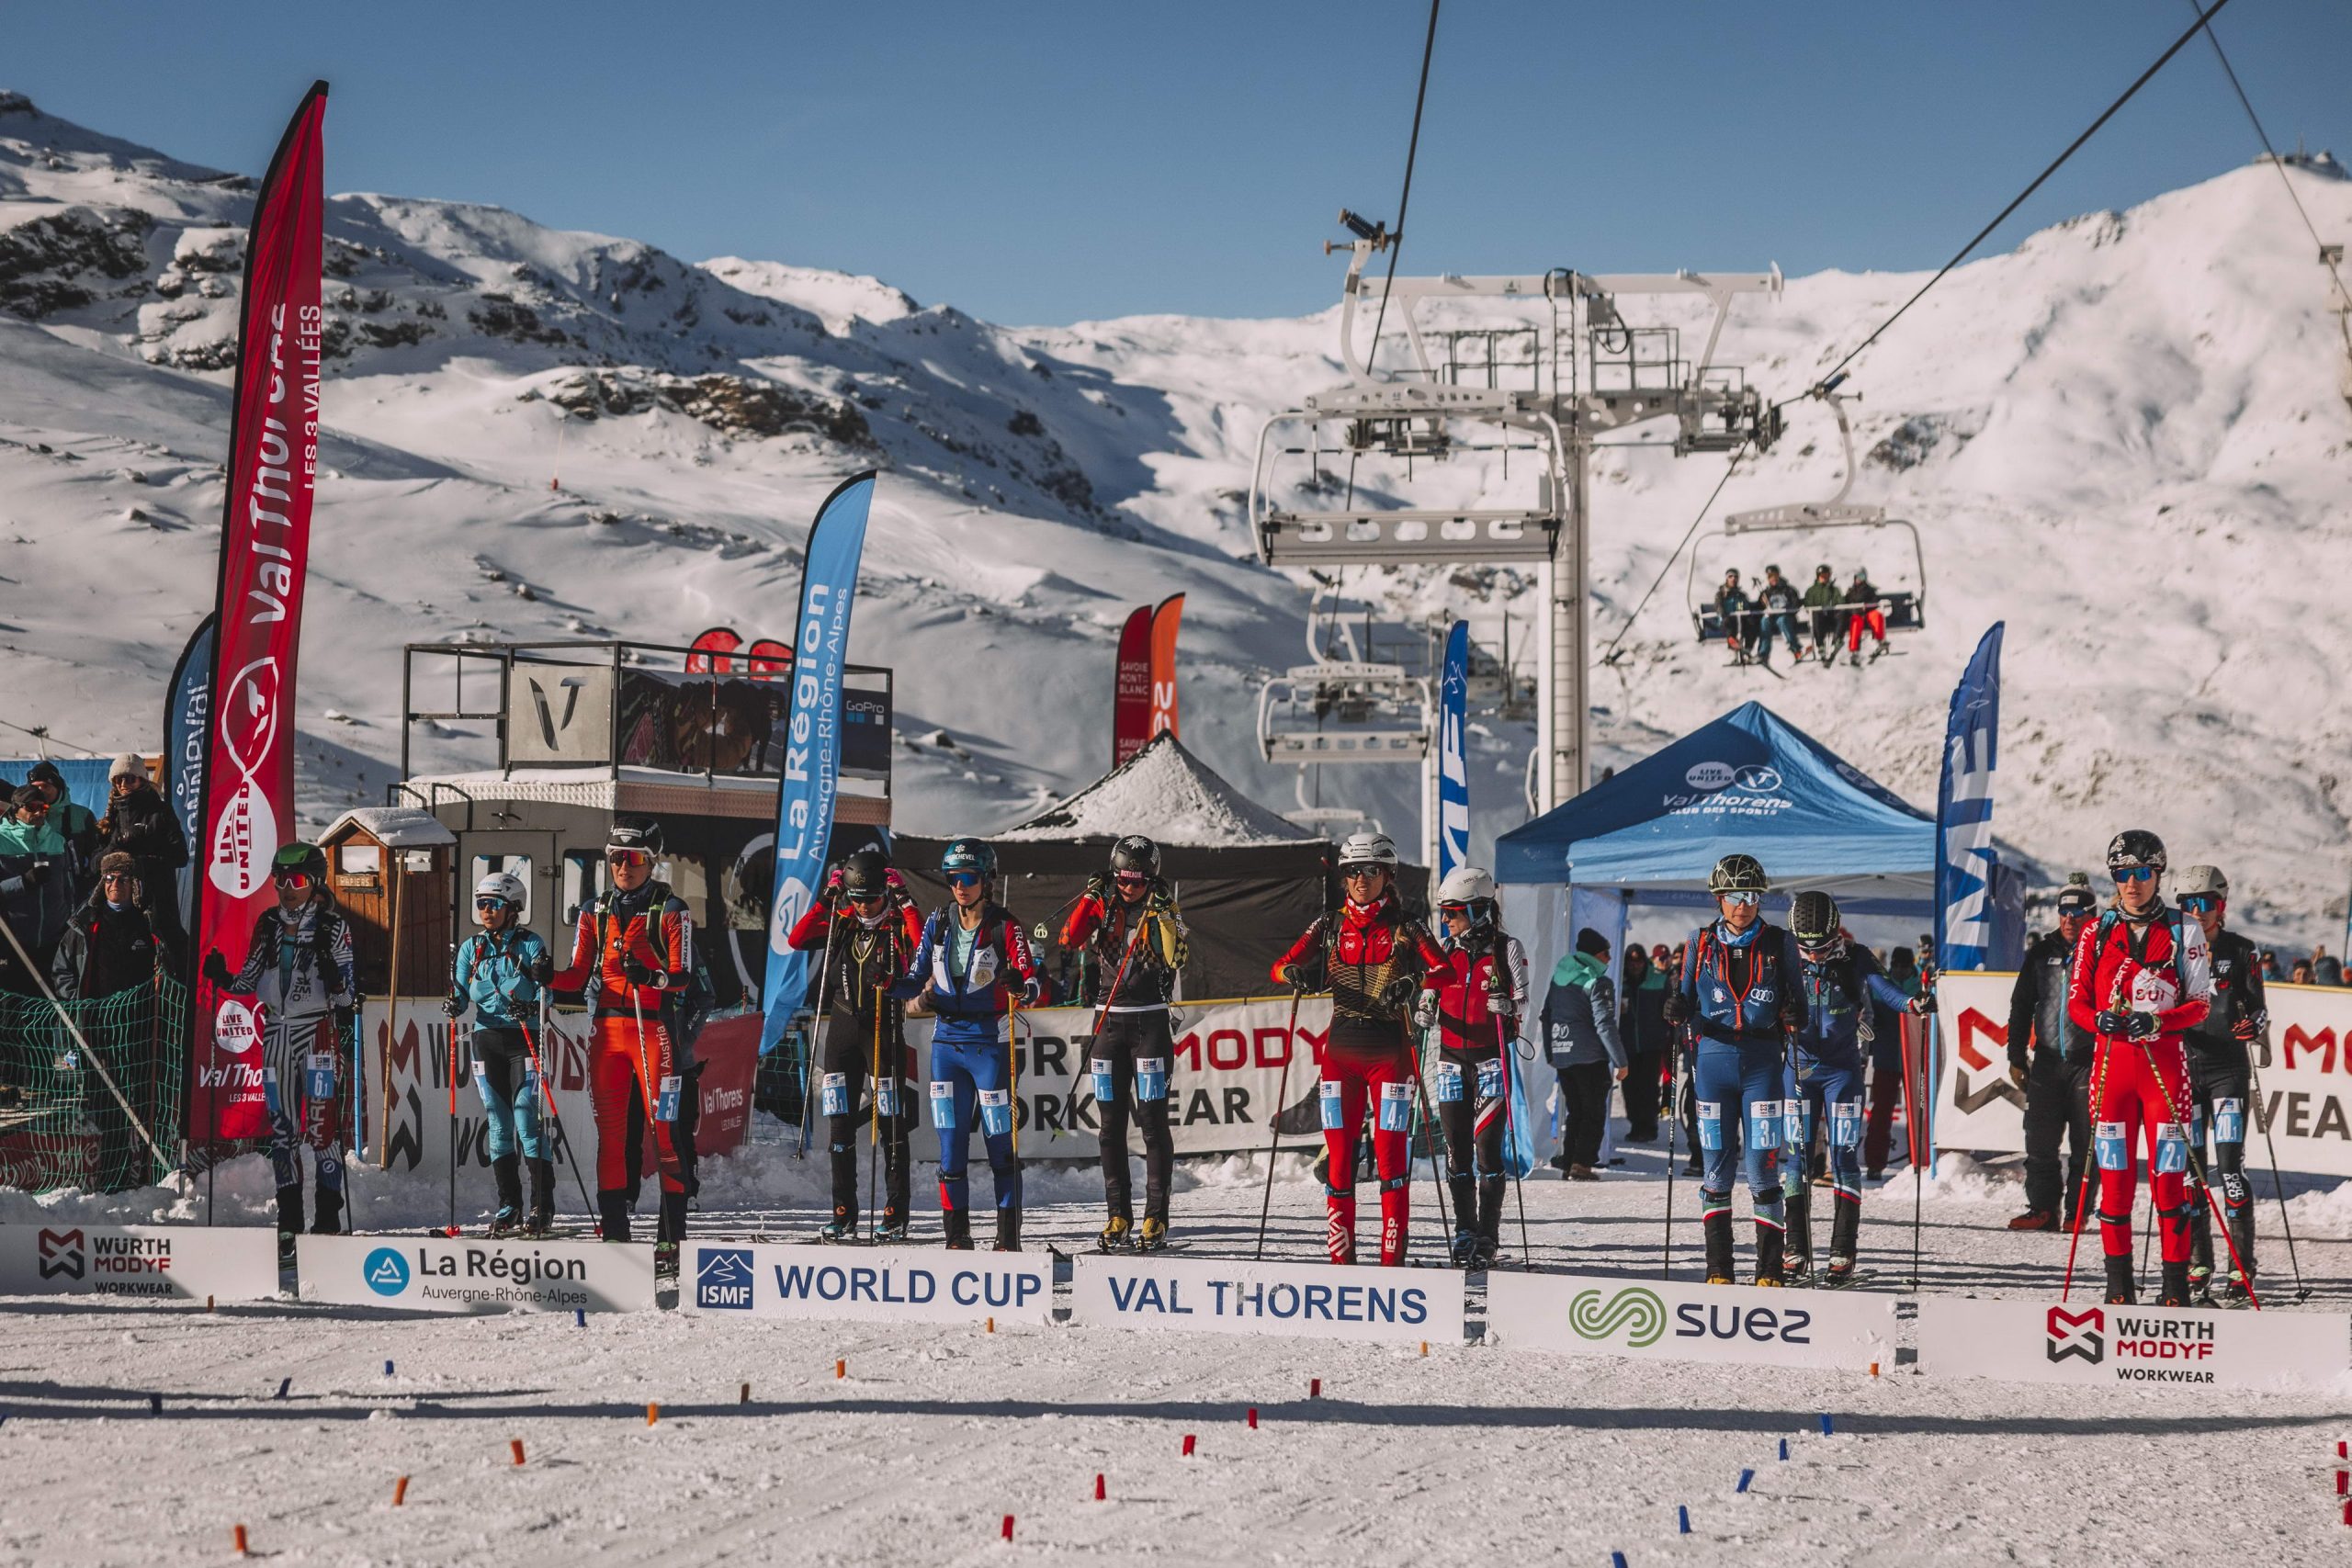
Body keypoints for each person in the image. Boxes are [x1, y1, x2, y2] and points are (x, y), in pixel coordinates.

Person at [1272, 830, 1446, 1267]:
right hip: (1341, 1058)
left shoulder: (1407, 926)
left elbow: (1445, 969)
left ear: (1388, 875)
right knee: (1339, 1164)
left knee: (1390, 1163)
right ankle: (1341, 1264)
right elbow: (1279, 966)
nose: (1361, 879)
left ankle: (1391, 1264)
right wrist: (1298, 975)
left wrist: (1414, 981)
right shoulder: (1329, 923)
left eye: (1370, 870)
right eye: (1352, 871)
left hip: (1390, 1058)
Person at [2066, 829, 2212, 1307]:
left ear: (2158, 875)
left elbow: (2199, 1006)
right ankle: (2119, 1287)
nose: (2133, 884)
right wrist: (2100, 1020)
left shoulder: (2184, 929)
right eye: (2124, 874)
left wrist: (2158, 1020)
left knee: (2171, 1184)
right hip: (2112, 1073)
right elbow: (2077, 1005)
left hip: (2164, 1070)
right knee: (2116, 1184)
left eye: (2143, 873)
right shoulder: (2095, 930)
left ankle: (2174, 1288)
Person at [550, 817, 699, 1259]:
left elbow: (682, 976)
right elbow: (577, 974)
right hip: (608, 1034)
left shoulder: (672, 910)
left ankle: (672, 1234)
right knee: (611, 1138)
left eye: (633, 859)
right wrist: (544, 977)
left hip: (654, 1031)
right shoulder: (594, 911)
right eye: (616, 858)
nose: (623, 867)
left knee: (665, 1135)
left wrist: (651, 975)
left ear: (650, 863)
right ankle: (615, 1233)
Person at [202, 842, 356, 1259]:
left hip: (317, 1034)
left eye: (298, 881)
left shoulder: (332, 927)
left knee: (323, 1132)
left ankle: (328, 1219)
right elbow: (248, 979)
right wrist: (222, 976)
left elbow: (348, 1001)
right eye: (281, 880)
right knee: (283, 1133)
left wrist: (336, 981)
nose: (288, 889)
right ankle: (289, 1221)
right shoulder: (269, 923)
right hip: (276, 1034)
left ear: (315, 882)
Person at [897, 836, 1046, 1251]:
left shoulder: (1005, 925)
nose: (960, 886)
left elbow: (1031, 982)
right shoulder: (938, 921)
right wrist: (889, 984)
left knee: (1000, 1145)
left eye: (969, 877)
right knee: (951, 1148)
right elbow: (914, 976)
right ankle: (956, 1239)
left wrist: (1020, 985)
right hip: (946, 1044)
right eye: (953, 878)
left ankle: (1007, 1238)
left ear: (986, 879)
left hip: (989, 1044)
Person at [1664, 854, 1804, 1286]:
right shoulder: (1700, 941)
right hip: (1712, 1063)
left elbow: (1800, 1004)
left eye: (1751, 896)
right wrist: (1674, 1006)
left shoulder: (1781, 943)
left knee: (1762, 1169)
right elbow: (1683, 1000)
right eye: (1733, 897)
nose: (1742, 905)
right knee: (1716, 1171)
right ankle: (1719, 1269)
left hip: (1762, 1065)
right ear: (1718, 899)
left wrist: (1796, 1013)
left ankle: (1768, 1270)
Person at [1785, 892, 1928, 1280]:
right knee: (1796, 1158)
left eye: (1823, 948)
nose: (1813, 956)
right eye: (1806, 949)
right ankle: (1795, 1247)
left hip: (1842, 1071)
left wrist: (1912, 1004)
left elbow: (1885, 990)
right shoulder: (1783, 954)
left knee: (1844, 1156)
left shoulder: (1856, 955)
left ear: (1836, 935)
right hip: (1796, 1069)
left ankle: (1843, 1251)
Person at [1059, 834, 1187, 1253]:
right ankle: (1118, 1214)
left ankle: (1156, 1216)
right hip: (1108, 1027)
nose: (1129, 888)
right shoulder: (1107, 904)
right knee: (1109, 1126)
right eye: (1122, 880)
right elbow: (1069, 940)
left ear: (1151, 878)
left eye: (1137, 881)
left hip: (1148, 1025)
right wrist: (1092, 897)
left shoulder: (1163, 906)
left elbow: (1175, 957)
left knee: (1152, 1124)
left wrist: (1166, 915)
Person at [791, 845, 922, 1243]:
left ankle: (895, 1213)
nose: (864, 907)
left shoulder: (898, 922)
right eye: (857, 898)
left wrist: (904, 899)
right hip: (842, 1031)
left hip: (884, 1029)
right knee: (840, 1127)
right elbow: (798, 939)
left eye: (872, 898)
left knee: (892, 1127)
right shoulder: (842, 919)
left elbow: (923, 947)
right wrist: (829, 898)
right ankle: (843, 1212)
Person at [1423, 866, 1530, 1266]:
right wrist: (1425, 1007)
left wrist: (1508, 1007)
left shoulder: (1507, 949)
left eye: (1453, 912)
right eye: (1444, 913)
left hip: (1490, 1061)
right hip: (1450, 1061)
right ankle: (1465, 1230)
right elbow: (1429, 992)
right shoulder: (1444, 952)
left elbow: (1523, 1001)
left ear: (1478, 910)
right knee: (1456, 1153)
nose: (1446, 921)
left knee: (1488, 1153)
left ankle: (1488, 1235)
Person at [445, 871, 558, 1237]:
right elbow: (461, 995)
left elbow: (548, 995)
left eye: (493, 904)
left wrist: (535, 1000)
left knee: (527, 1122)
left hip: (524, 1039)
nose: (485, 911)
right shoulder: (470, 948)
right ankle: (509, 1204)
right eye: (481, 904)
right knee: (498, 1123)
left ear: (513, 909)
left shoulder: (530, 943)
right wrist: (453, 1004)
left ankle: (543, 1204)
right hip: (485, 1039)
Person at [2176, 864, 2264, 1303]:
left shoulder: (2243, 950)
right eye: (2188, 904)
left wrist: (2253, 1025)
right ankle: (2198, 1262)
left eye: (2205, 903)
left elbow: (2259, 1010)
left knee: (2229, 1170)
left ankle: (2242, 1267)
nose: (2197, 912)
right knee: (2191, 1175)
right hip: (2186, 1073)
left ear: (2220, 907)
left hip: (2227, 1072)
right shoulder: (2171, 950)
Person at [2004, 877, 2098, 1232]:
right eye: (2063, 912)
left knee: (2085, 1144)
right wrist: (2015, 1056)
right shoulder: (2042, 954)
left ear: (2091, 916)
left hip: (2087, 1061)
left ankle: (2077, 1211)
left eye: (2076, 912)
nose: (2069, 919)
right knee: (2039, 1139)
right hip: (2045, 1059)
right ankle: (2043, 1209)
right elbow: (2021, 1005)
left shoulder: (2104, 952)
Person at [1540, 925, 1622, 1187]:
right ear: (1594, 955)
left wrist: (1552, 1052)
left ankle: (1570, 1162)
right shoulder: (1597, 981)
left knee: (1575, 1111)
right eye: (1605, 953)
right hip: (1590, 1057)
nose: (1609, 958)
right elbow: (1604, 1024)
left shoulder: (1559, 977)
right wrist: (1621, 1061)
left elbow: (1546, 1015)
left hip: (1563, 1055)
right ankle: (1582, 1163)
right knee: (1593, 1112)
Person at [97, 753, 187, 954]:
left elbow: (180, 856)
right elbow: (95, 863)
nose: (123, 783)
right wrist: (114, 849)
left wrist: (142, 860)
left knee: (168, 954)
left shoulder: (160, 812)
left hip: (157, 901)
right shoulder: (108, 819)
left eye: (130, 778)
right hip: (119, 905)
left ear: (142, 780)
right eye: (118, 779)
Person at [51, 852, 168, 999]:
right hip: (97, 1016)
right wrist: (77, 1000)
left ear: (134, 884)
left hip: (139, 1015)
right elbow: (62, 969)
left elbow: (166, 968)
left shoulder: (148, 923)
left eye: (123, 879)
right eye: (109, 878)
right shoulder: (86, 924)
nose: (115, 884)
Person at [0, 783, 73, 993]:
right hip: (14, 944)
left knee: (50, 1011)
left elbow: (69, 889)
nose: (40, 812)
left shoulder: (57, 841)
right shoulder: (2, 841)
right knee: (13, 1013)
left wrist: (69, 922)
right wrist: (24, 882)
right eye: (32, 807)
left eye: (44, 807)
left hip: (54, 941)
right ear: (15, 809)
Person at [1860, 945, 1921, 1179]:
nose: (1900, 971)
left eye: (1905, 967)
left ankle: (1920, 1161)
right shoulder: (1881, 987)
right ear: (1891, 965)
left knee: (1919, 1113)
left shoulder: (1920, 988)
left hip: (1914, 1060)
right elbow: (1869, 1016)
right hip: (1887, 1058)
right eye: (1896, 966)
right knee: (1881, 1114)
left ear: (1911, 967)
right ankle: (1875, 1163)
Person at [1617, 943, 1671, 1142]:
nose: (1635, 965)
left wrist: (1667, 1034)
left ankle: (1648, 1126)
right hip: (1627, 1043)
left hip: (1652, 1044)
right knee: (1629, 1088)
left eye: (1638, 961)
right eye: (1631, 961)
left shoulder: (1658, 980)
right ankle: (1635, 1124)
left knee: (1649, 1087)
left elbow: (1668, 1010)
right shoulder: (1619, 981)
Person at [27, 761, 100, 902]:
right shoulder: (23, 816)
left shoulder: (82, 815)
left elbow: (96, 853)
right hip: (36, 890)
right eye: (35, 787)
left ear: (58, 788)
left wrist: (88, 882)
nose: (40, 791)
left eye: (46, 786)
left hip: (75, 889)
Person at [1756, 565, 1804, 667]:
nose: (1773, 579)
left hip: (1786, 618)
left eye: (1774, 576)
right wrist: (1763, 604)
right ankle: (1763, 653)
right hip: (1772, 619)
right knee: (1764, 621)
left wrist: (1786, 609)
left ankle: (1796, 649)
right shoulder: (1767, 592)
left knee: (1782, 620)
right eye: (1770, 577)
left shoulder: (1788, 590)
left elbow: (1796, 604)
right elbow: (1760, 606)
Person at [1841, 568, 1890, 665]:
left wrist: (1866, 606)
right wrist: (1854, 609)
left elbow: (1875, 601)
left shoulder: (1869, 590)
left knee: (1877, 615)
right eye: (1858, 577)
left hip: (1868, 613)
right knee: (1855, 622)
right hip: (1856, 614)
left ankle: (1881, 641)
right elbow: (1847, 604)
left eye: (1862, 577)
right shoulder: (1851, 591)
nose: (1860, 579)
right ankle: (1854, 651)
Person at [1801, 563, 1845, 662]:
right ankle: (1820, 645)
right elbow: (1808, 605)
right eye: (1822, 576)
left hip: (1831, 617)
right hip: (1820, 618)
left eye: (1827, 576)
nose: (1824, 578)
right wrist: (1819, 609)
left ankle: (1836, 642)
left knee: (1842, 614)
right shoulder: (1812, 591)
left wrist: (1833, 605)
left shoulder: (1834, 590)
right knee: (1816, 614)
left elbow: (1841, 602)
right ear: (1818, 577)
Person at [1713, 570, 1756, 664]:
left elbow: (1742, 607)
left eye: (1735, 577)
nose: (1733, 579)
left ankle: (1747, 650)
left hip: (1739, 620)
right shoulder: (1721, 594)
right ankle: (1733, 643)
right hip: (1727, 620)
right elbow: (1718, 605)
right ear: (1727, 579)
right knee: (1729, 622)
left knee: (1750, 623)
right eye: (1730, 577)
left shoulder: (1740, 595)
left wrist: (1744, 613)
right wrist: (1723, 613)